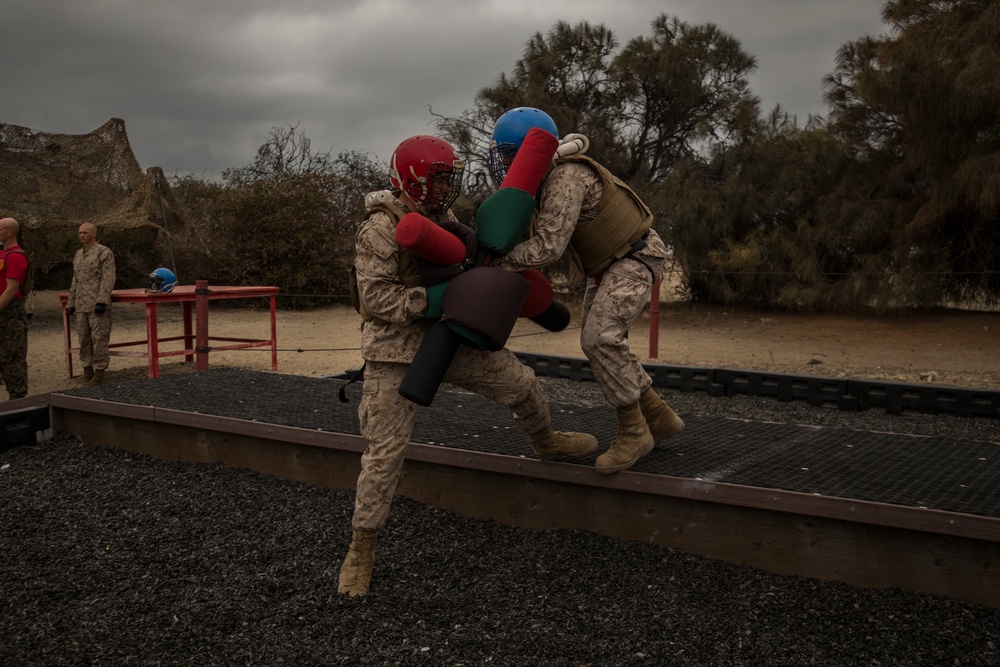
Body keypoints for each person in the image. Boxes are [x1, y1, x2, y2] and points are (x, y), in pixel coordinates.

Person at [339, 135, 598, 596]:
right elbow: (376, 299)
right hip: (395, 351)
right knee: (384, 454)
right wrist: (432, 299)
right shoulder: (378, 228)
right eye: (438, 179)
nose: (446, 187)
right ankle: (362, 548)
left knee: (522, 384)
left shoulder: (444, 219)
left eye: (449, 178)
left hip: (452, 335)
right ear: (412, 179)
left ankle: (545, 440)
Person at [488, 107, 685, 475]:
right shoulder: (547, 178)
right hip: (611, 262)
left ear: (530, 150)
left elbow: (548, 246)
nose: (504, 163)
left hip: (634, 256)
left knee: (600, 339)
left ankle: (634, 431)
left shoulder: (565, 177)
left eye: (508, 154)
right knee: (596, 341)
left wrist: (498, 261)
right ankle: (658, 415)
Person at [66, 222, 116, 385]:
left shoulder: (103, 252)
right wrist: (71, 301)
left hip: (96, 304)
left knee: (99, 338)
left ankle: (99, 374)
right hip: (81, 304)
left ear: (94, 234)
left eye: (85, 232)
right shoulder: (78, 255)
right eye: (80, 233)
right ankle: (87, 372)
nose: (82, 235)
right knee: (83, 339)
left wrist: (102, 300)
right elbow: (75, 279)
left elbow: (108, 277)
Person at [0, 217, 30, 400]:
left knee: (12, 358)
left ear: (10, 232)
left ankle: (17, 403)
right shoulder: (3, 255)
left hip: (10, 314)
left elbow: (11, 289)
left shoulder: (16, 256)